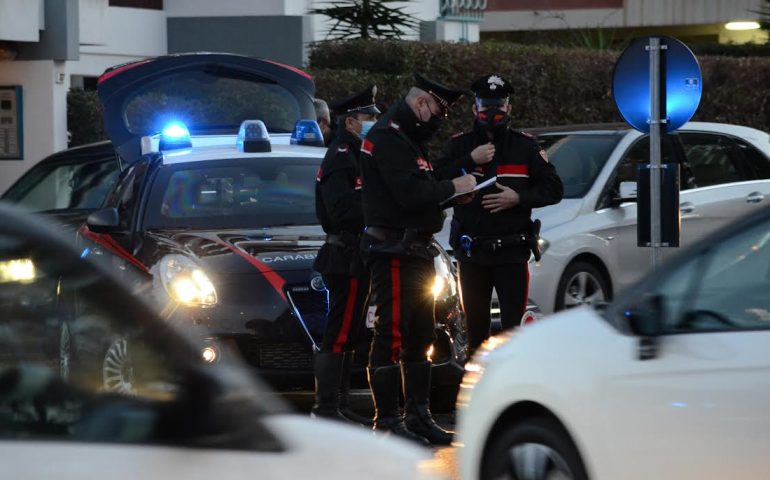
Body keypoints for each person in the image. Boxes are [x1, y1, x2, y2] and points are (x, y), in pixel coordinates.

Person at [359, 73, 476, 446]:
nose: (439, 119)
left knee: (421, 334)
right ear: (422, 102)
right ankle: (388, 420)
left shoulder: (409, 139)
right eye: (438, 111)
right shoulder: (389, 138)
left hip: (416, 250)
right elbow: (409, 194)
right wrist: (454, 187)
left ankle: (419, 415)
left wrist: (448, 197)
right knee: (391, 332)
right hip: (394, 251)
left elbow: (422, 192)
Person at [435, 74, 563, 355]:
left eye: (499, 106)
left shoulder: (525, 146)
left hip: (511, 252)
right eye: (486, 107)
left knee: (512, 335)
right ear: (474, 109)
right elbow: (435, 182)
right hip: (473, 253)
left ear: (509, 109)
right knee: (476, 335)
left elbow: (554, 189)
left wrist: (518, 198)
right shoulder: (459, 145)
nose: (492, 114)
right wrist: (470, 160)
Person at [312, 86, 381, 424]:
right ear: (352, 122)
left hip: (358, 253)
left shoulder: (358, 152)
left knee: (351, 331)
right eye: (369, 117)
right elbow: (340, 209)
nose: (373, 122)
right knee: (339, 331)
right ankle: (326, 407)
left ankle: (339, 403)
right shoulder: (342, 154)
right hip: (345, 253)